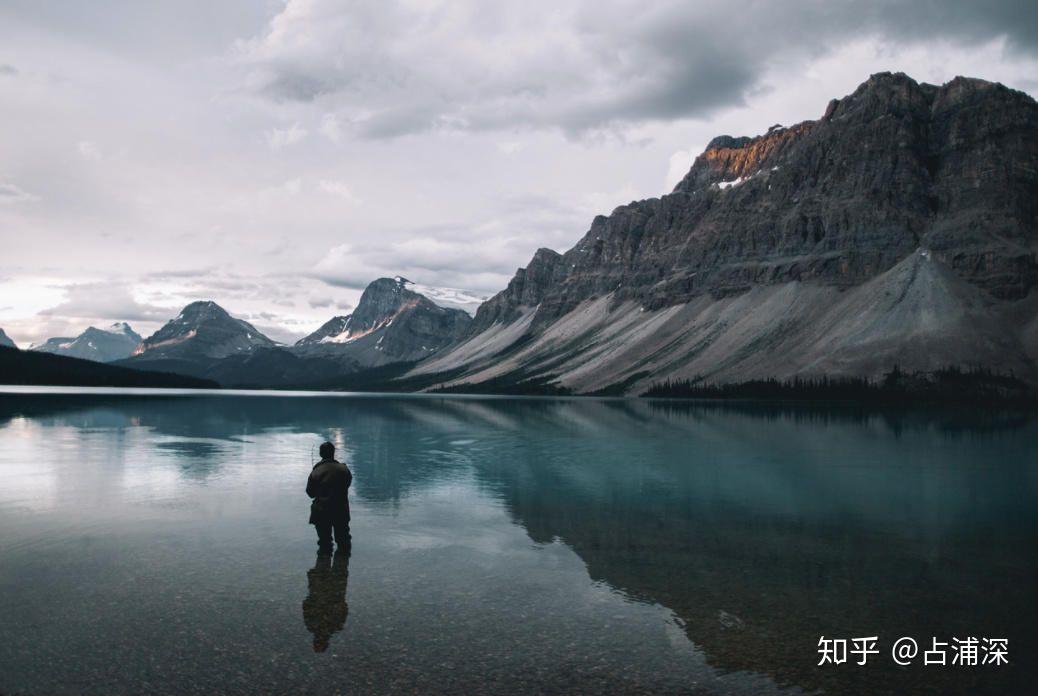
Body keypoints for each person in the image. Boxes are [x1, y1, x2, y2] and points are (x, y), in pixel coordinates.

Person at [306, 441, 352, 554]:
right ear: (333, 453)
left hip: (322, 511)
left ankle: (322, 568)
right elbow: (348, 483)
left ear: (321, 454)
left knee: (324, 544)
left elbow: (310, 493)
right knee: (343, 541)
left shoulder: (316, 472)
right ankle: (342, 567)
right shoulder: (344, 469)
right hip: (341, 510)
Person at [302, 550, 350, 653]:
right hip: (331, 591)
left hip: (322, 589)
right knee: (336, 564)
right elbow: (343, 609)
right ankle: (338, 549)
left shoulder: (312, 625)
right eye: (320, 643)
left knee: (326, 561)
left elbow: (306, 606)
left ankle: (331, 549)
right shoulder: (336, 626)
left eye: (317, 642)